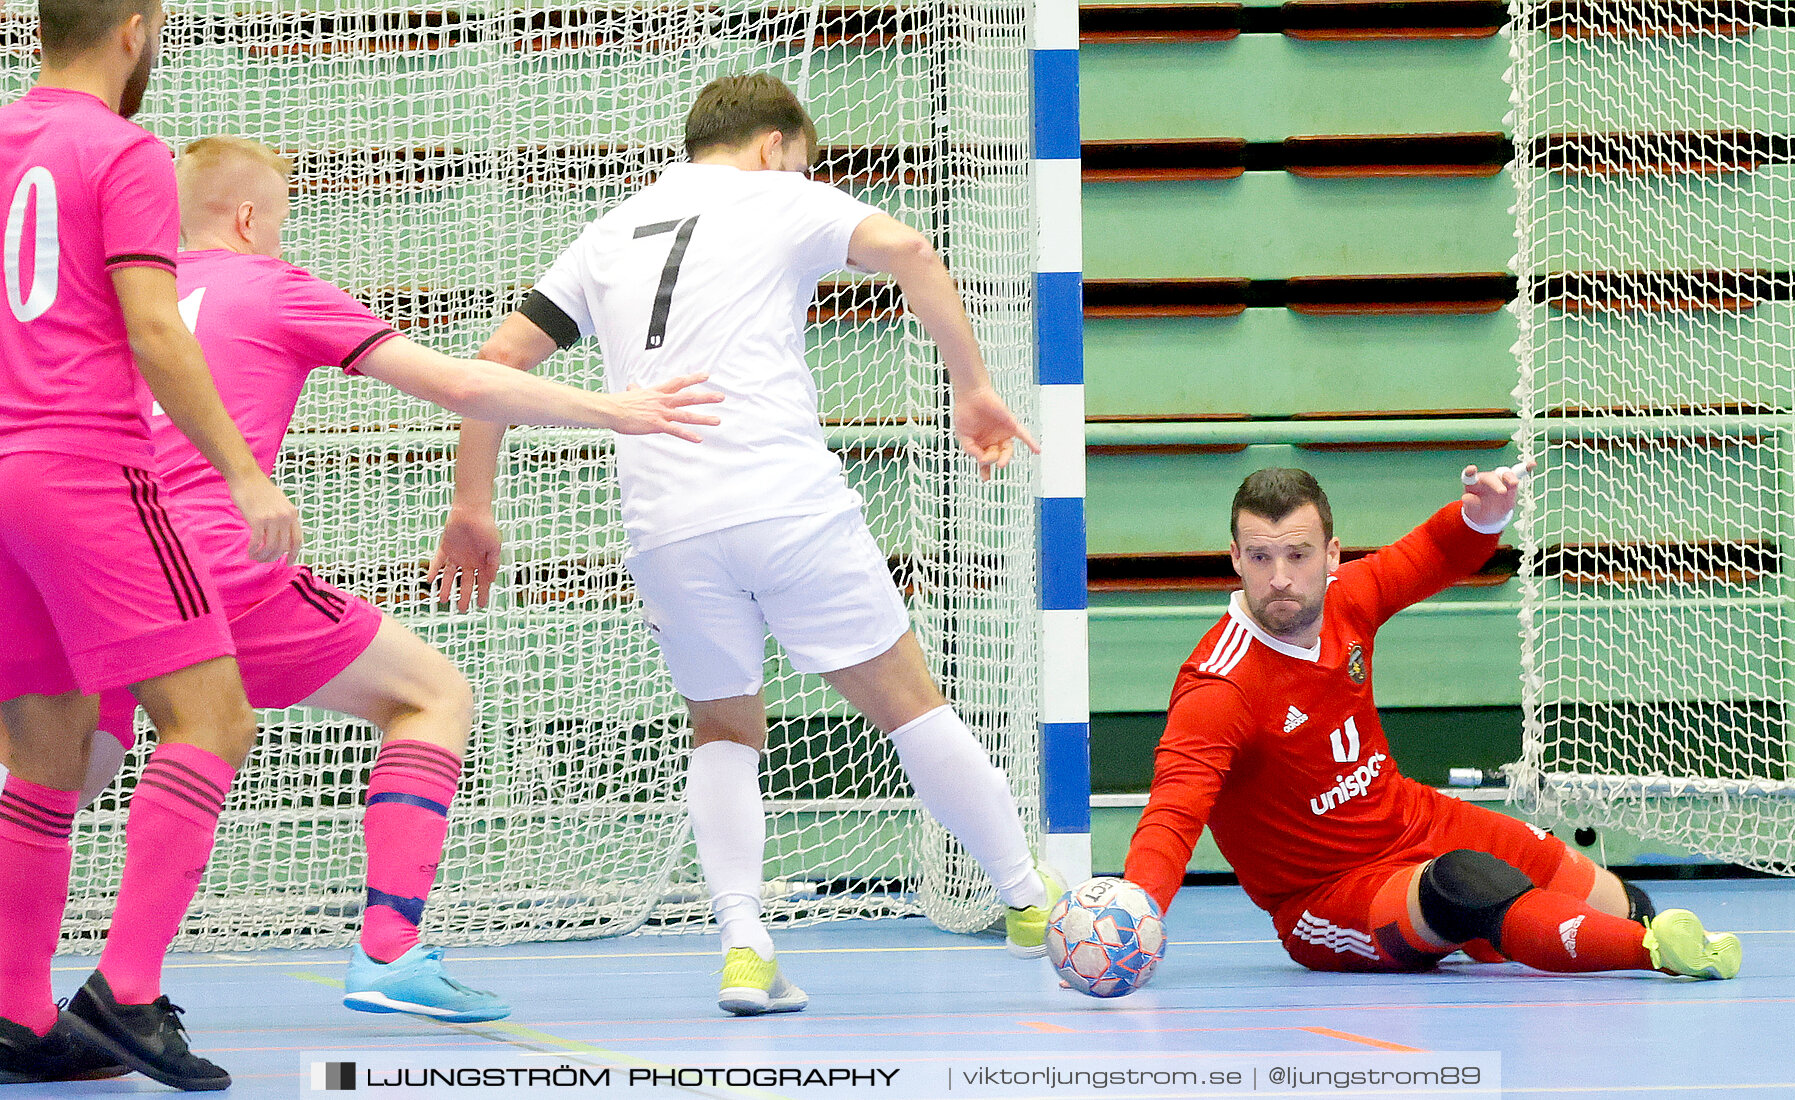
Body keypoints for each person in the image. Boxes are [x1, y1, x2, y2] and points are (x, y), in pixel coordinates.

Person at [0, 133, 724, 1025]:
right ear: (248, 218)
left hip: (86, 564)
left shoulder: (121, 299)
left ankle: (27, 1003)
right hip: (215, 569)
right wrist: (616, 409)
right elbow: (461, 382)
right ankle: (385, 950)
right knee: (432, 694)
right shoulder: (273, 285)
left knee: (56, 781)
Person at [430, 72, 1058, 1016]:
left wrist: (473, 502)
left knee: (723, 729)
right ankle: (1026, 900)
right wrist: (971, 385)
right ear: (774, 145)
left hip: (665, 521)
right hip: (782, 501)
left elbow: (495, 365)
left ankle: (744, 947)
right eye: (805, 159)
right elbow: (911, 249)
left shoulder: (608, 231)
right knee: (907, 704)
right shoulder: (780, 194)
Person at [0, 2, 303, 1090]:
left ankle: (17, 1009)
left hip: (3, 475)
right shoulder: (121, 148)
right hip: (87, 465)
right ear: (135, 29)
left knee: (42, 746)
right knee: (214, 716)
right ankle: (125, 987)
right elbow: (155, 323)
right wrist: (239, 466)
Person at [1123, 464, 1742, 981]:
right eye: (1260, 556)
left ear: (1331, 555)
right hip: (1328, 897)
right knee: (1463, 886)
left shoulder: (1349, 598)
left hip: (1413, 818)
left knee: (1621, 903)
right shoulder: (1219, 685)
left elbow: (1433, 553)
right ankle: (1656, 955)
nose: (1279, 577)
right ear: (1235, 557)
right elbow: (1172, 815)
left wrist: (1484, 514)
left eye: (1297, 554)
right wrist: (1138, 907)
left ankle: (1632, 933)